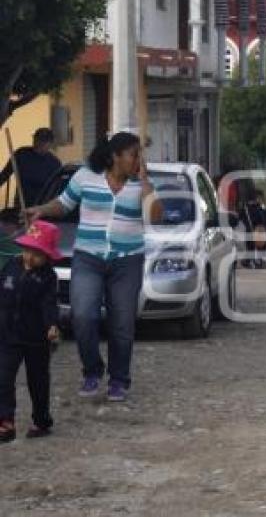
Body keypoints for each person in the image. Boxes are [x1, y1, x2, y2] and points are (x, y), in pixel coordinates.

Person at [26, 132, 163, 403]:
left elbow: (154, 217)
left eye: (140, 154)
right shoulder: (86, 177)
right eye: (134, 154)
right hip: (88, 258)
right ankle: (92, 369)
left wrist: (145, 180)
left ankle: (119, 379)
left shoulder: (141, 185)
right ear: (116, 156)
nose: (139, 160)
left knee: (122, 323)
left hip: (128, 260)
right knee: (83, 315)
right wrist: (40, 210)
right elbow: (63, 204)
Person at [0, 221, 62, 442]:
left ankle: (41, 420)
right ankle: (6, 422)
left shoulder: (48, 276)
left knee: (38, 381)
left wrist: (52, 325)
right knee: (3, 378)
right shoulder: (11, 266)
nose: (30, 257)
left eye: (37, 254)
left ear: (47, 256)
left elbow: (49, 304)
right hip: (7, 336)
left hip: (36, 338)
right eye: (27, 250)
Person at [0, 128, 61, 209]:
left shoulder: (54, 163)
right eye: (38, 139)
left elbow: (57, 187)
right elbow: (5, 174)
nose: (40, 143)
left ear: (50, 143)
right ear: (34, 139)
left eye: (44, 141)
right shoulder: (21, 154)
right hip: (22, 205)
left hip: (43, 207)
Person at [239, 189, 266, 269]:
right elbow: (243, 218)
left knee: (262, 245)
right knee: (251, 247)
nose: (261, 200)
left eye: (261, 198)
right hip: (251, 230)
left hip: (261, 230)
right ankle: (250, 261)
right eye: (259, 198)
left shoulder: (262, 207)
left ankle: (258, 260)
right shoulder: (247, 208)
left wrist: (265, 228)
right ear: (255, 198)